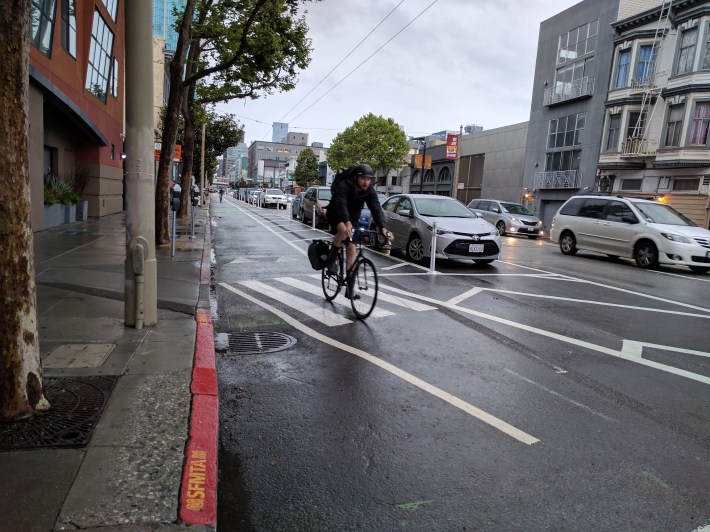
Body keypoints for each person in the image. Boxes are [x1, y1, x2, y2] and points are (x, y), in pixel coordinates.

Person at [325, 164, 392, 282]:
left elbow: (376, 208)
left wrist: (382, 227)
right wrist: (346, 221)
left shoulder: (369, 190)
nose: (366, 182)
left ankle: (350, 286)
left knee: (352, 248)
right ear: (356, 177)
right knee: (344, 232)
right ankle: (331, 258)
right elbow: (341, 204)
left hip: (353, 218)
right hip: (336, 213)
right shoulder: (344, 185)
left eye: (368, 179)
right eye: (363, 178)